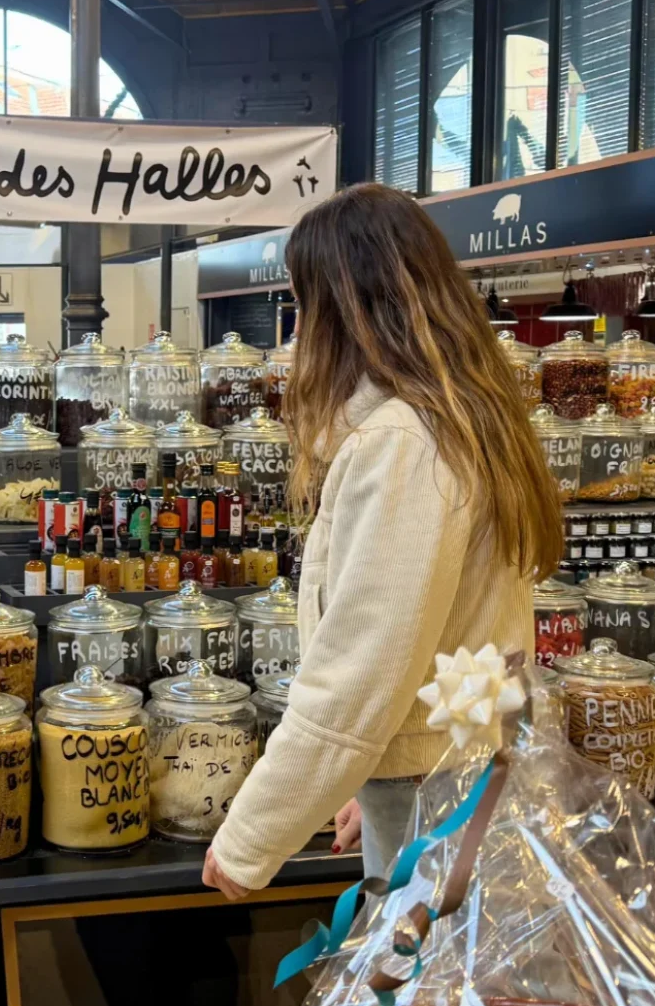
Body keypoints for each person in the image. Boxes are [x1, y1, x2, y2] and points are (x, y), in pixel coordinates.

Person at [201, 183, 564, 897]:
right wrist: (372, 776)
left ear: (347, 310)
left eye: (306, 306)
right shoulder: (467, 420)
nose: (298, 332)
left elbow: (360, 670)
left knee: (421, 992)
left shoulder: (403, 443)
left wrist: (251, 838)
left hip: (436, 797)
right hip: (464, 774)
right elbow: (470, 636)